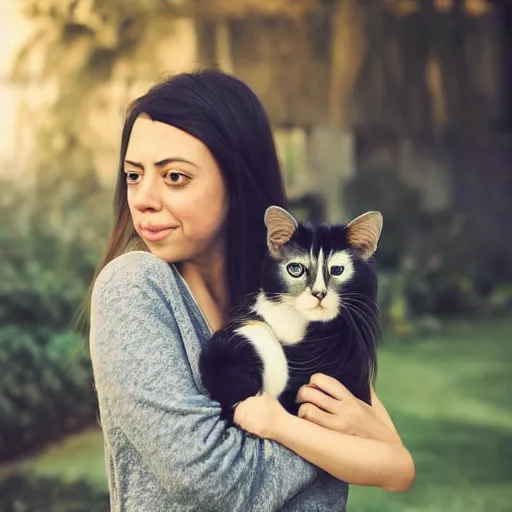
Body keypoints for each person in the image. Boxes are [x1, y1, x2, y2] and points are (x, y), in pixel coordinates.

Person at [88, 69, 415, 512]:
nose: (143, 197)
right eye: (133, 175)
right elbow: (212, 480)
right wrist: (336, 445)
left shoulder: (301, 302)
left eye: (174, 177)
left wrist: (353, 444)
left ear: (237, 186)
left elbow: (396, 464)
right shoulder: (136, 289)